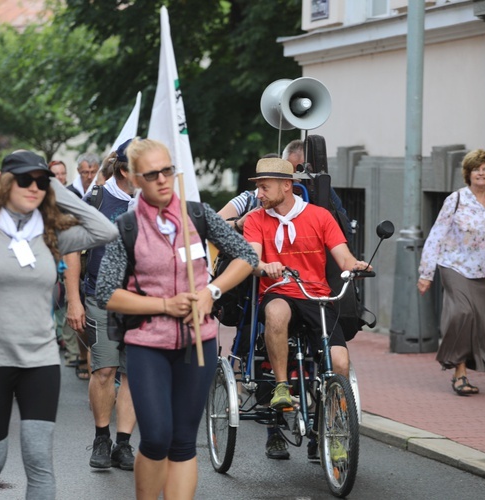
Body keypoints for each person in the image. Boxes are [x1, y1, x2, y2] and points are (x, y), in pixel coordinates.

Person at [0, 150, 117, 499]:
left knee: (39, 461)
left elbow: (104, 229)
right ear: (6, 183)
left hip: (39, 361)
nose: (33, 187)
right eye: (24, 179)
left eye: (40, 180)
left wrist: (57, 189)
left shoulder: (51, 234)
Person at [95, 138, 256, 499]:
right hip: (147, 344)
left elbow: (245, 255)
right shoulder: (127, 227)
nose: (163, 180)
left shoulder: (197, 215)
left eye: (167, 171)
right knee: (156, 437)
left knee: (183, 441)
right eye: (152, 174)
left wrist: (210, 293)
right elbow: (107, 294)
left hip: (198, 340)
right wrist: (165, 306)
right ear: (135, 178)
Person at [241, 157, 370, 458]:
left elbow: (343, 257)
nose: (258, 193)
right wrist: (264, 266)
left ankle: (334, 434)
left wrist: (357, 266)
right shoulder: (256, 219)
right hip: (278, 291)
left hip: (316, 296)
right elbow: (251, 258)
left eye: (264, 186)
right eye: (258, 186)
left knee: (339, 361)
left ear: (287, 186)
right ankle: (282, 387)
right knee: (275, 312)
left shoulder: (320, 216)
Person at [418, 149, 485, 396]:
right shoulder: (456, 199)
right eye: (476, 169)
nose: (481, 173)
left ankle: (462, 371)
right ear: (467, 173)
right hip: (455, 266)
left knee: (477, 321)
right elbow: (436, 236)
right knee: (462, 312)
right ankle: (457, 369)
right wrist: (426, 273)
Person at [78, 140, 137, 471]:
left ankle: (124, 444)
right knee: (104, 369)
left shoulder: (154, 201)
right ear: (125, 170)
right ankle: (102, 437)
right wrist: (74, 299)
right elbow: (73, 251)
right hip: (101, 296)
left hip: (141, 300)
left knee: (132, 374)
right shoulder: (97, 199)